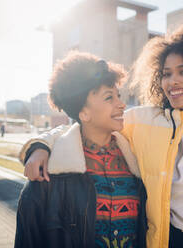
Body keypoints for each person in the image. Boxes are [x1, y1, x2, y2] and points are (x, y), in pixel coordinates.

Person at [21, 23, 183, 248]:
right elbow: (81, 125)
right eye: (166, 74)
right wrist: (41, 145)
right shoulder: (142, 122)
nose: (172, 82)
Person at [15, 51, 147, 248]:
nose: (121, 104)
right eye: (109, 97)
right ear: (83, 113)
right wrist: (40, 147)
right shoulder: (47, 176)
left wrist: (40, 145)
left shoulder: (136, 156)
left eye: (118, 96)